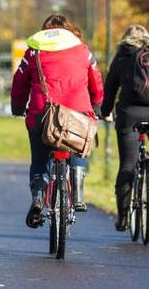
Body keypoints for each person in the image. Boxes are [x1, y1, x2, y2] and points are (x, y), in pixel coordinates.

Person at [10, 14, 104, 227]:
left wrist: (17, 107)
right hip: (77, 116)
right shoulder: (82, 50)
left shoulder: (34, 51)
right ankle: (78, 190)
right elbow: (96, 79)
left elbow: (19, 81)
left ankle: (37, 197)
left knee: (40, 161)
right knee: (79, 147)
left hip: (42, 115)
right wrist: (97, 104)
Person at [100, 24, 149, 231]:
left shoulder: (123, 55)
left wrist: (105, 111)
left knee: (127, 164)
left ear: (126, 38)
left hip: (130, 113)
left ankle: (123, 217)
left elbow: (110, 87)